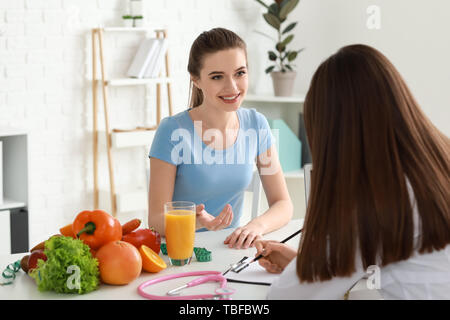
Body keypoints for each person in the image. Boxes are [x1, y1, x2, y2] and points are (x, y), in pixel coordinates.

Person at [255, 44, 450, 299]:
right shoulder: (437, 163)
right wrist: (303, 264)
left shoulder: (372, 201)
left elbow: (284, 298)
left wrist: (307, 268)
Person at [148, 28, 293, 249]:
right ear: (196, 79)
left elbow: (283, 204)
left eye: (240, 73)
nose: (232, 87)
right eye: (217, 77)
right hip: (184, 252)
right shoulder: (172, 131)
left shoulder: (256, 125)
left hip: (230, 251)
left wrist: (256, 226)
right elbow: (156, 219)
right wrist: (194, 222)